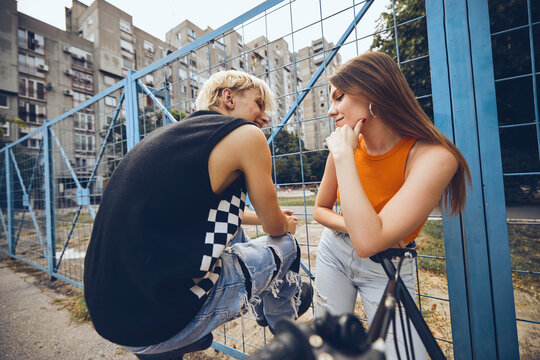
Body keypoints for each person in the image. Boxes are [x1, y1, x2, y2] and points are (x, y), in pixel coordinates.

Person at [83, 70, 313, 359]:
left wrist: (267, 217)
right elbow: (275, 227)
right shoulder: (245, 135)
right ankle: (285, 334)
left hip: (114, 316)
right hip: (162, 317)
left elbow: (208, 212)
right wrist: (285, 223)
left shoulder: (168, 139)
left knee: (233, 234)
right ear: (228, 97)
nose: (264, 117)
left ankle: (262, 305)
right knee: (286, 246)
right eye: (259, 104)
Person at [313, 52, 471, 359]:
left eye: (339, 97)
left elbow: (369, 242)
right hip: (334, 251)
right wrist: (358, 226)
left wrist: (344, 157)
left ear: (372, 91)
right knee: (327, 348)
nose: (331, 111)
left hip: (388, 267)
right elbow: (321, 209)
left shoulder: (435, 157)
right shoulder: (345, 146)